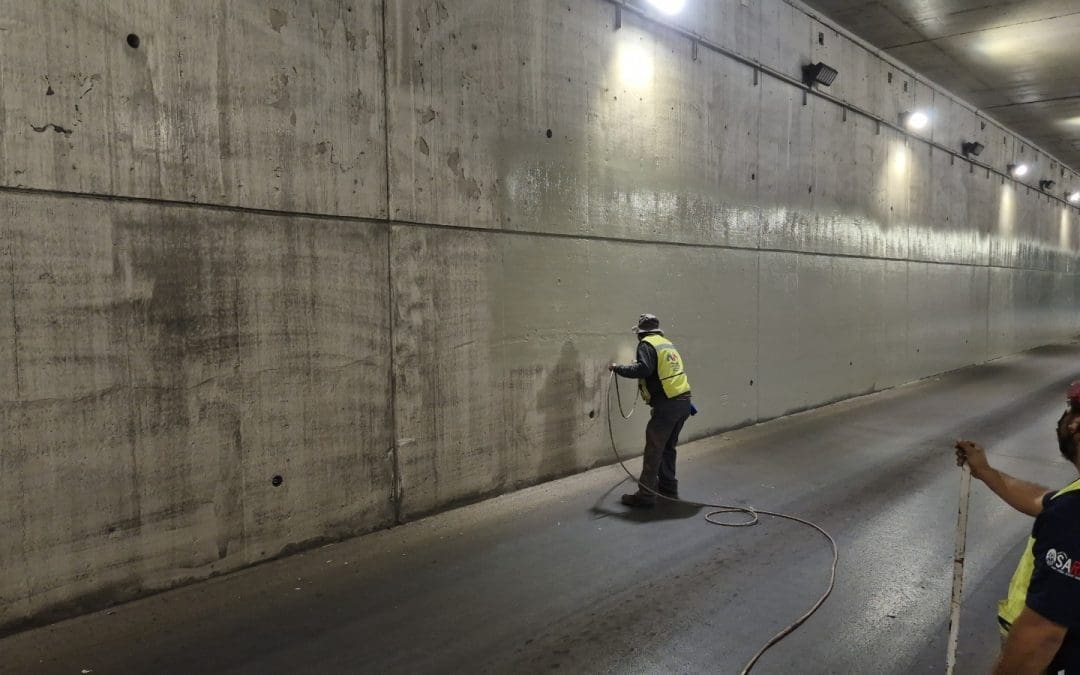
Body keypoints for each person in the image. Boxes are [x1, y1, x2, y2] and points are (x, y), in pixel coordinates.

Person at [955, 382, 1080, 674]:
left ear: (1076, 426)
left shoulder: (1073, 516)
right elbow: (1043, 500)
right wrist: (985, 471)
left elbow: (1042, 634)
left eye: (1071, 410)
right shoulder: (1071, 501)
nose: (1066, 418)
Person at [609, 313, 692, 508]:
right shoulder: (666, 344)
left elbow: (644, 369)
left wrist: (618, 368)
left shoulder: (646, 344)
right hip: (683, 402)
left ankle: (645, 496)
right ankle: (668, 485)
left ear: (641, 333)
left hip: (668, 405)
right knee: (668, 446)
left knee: (654, 448)